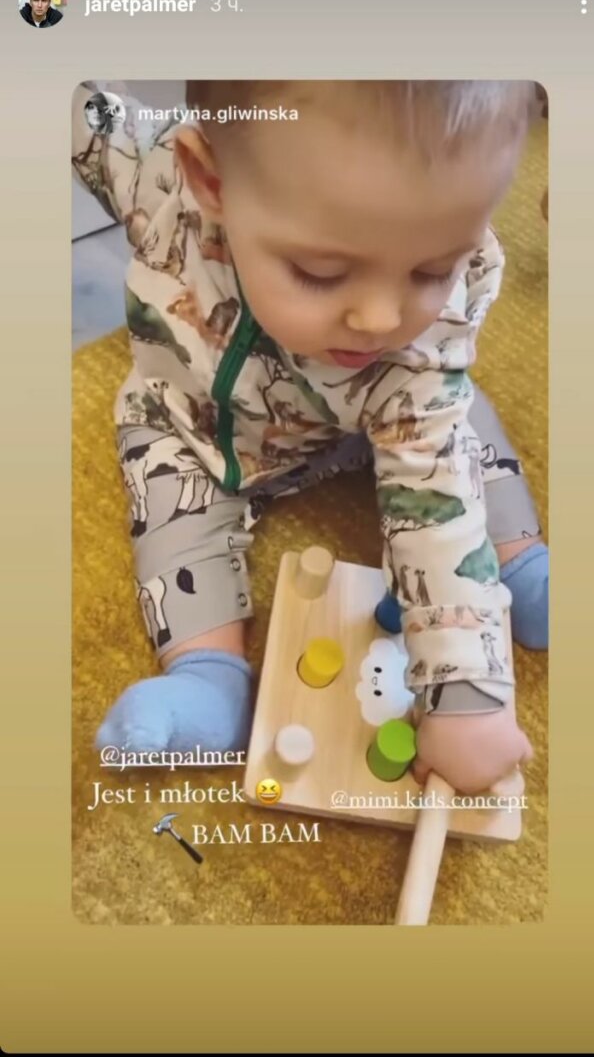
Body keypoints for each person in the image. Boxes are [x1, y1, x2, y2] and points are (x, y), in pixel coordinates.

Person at [71, 80, 549, 795]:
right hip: (189, 427)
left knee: (454, 427)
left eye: (432, 268)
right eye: (321, 272)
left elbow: (438, 509)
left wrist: (467, 694)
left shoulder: (417, 349)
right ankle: (209, 678)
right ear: (211, 181)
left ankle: (523, 564)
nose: (381, 318)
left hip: (366, 425)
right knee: (167, 488)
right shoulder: (156, 173)